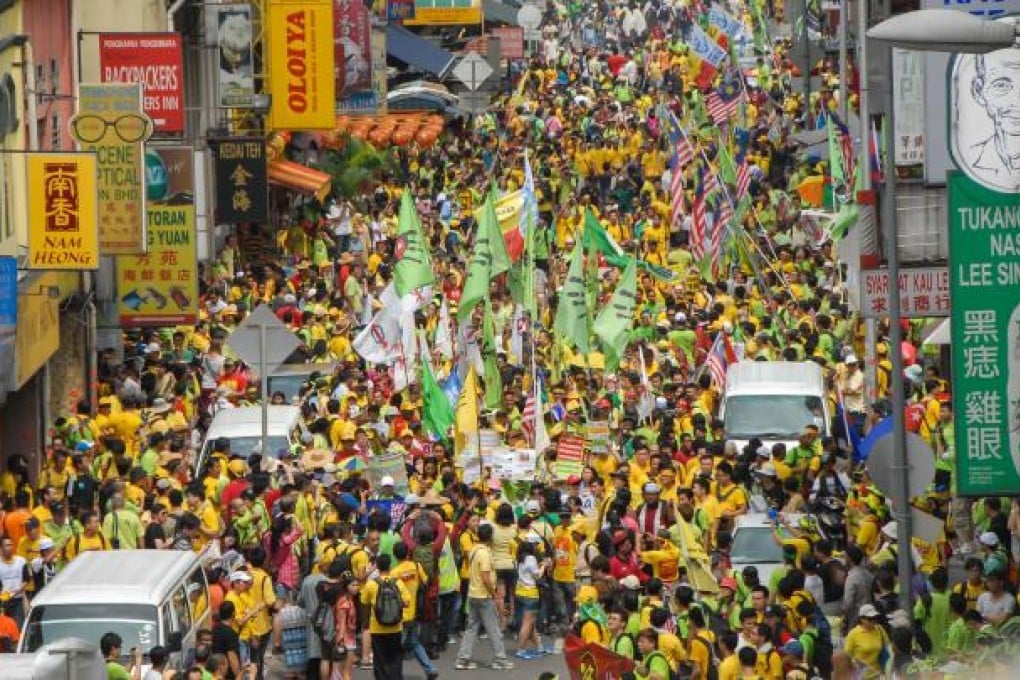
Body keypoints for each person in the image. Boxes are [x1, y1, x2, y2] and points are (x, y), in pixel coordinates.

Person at [455, 522, 514, 671]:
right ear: (490, 537)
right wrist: (493, 594)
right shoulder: (485, 553)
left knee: (471, 628)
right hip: (483, 595)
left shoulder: (474, 549)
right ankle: (500, 659)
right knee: (493, 628)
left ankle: (463, 659)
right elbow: (486, 577)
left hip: (473, 594)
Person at [359, 553, 410, 680]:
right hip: (395, 627)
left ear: (378, 567)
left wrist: (365, 622)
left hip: (377, 627)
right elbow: (407, 602)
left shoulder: (371, 584)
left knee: (380, 658)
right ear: (390, 566)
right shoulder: (398, 582)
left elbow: (364, 603)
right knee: (395, 657)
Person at [842, 604, 889, 680]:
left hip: (878, 675)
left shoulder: (880, 629)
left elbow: (888, 647)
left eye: (875, 618)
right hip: (860, 677)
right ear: (861, 619)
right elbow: (846, 656)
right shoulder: (853, 634)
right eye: (870, 619)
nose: (873, 621)